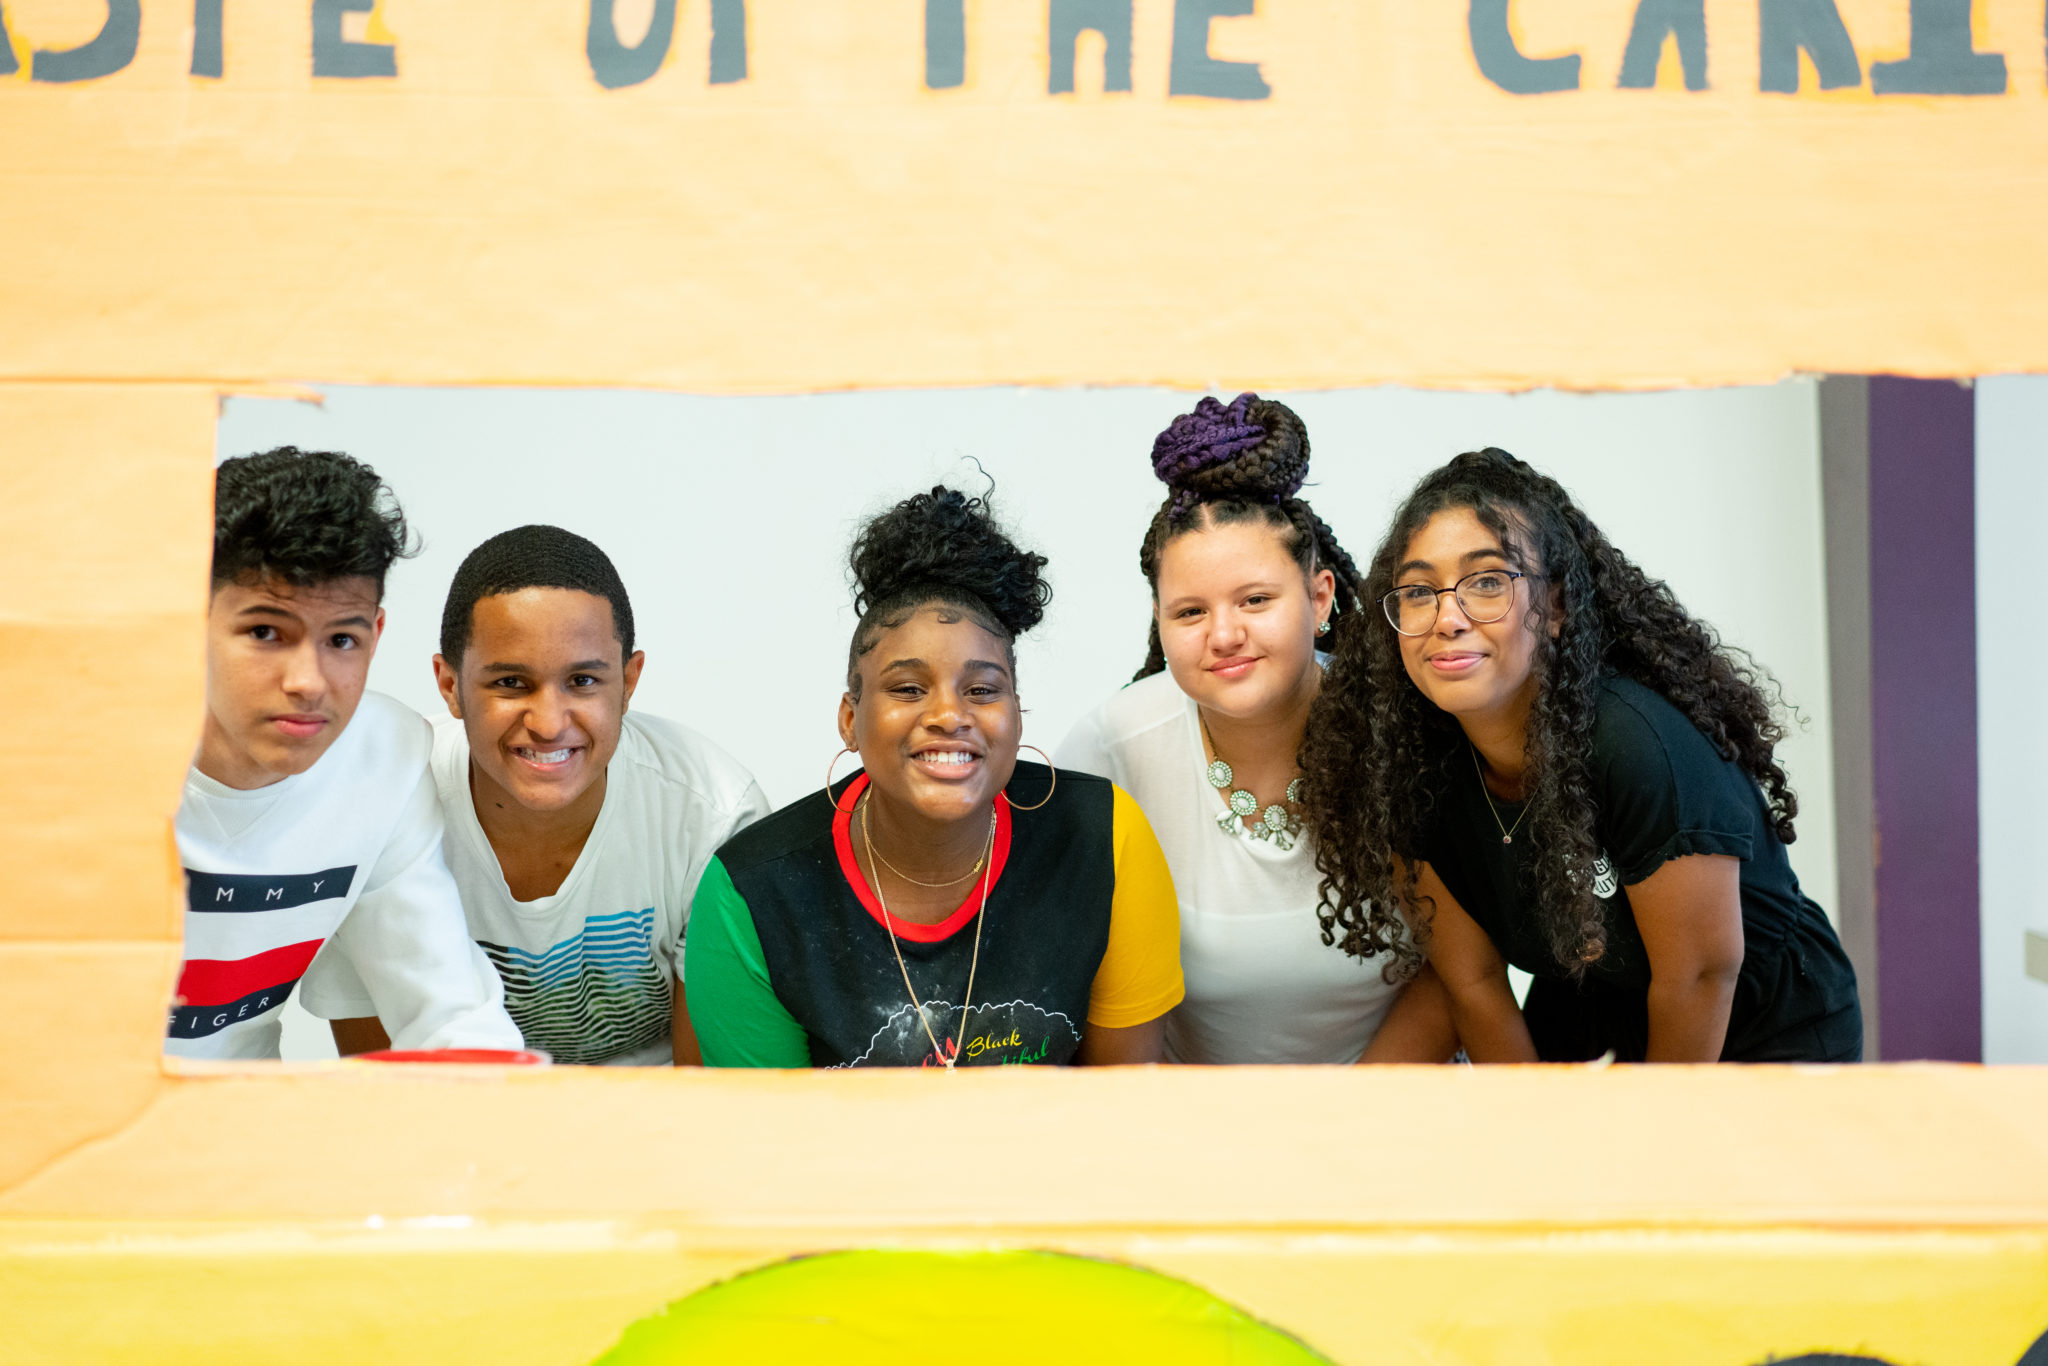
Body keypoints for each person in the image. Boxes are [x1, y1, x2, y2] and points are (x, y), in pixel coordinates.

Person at [1299, 448, 1862, 1063]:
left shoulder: (1638, 745)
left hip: (1757, 1024)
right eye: (1417, 592)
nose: (1447, 618)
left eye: (1487, 582)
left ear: (1558, 607)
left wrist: (1640, 1152)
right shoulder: (1407, 770)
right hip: (1589, 1006)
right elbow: (1475, 984)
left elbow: (1699, 978)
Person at [685, 485, 1185, 1068]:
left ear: (1017, 712)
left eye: (982, 690)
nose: (950, 716)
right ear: (850, 718)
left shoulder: (1106, 840)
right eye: (907, 688)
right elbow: (766, 1144)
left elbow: (1125, 1108)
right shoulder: (750, 896)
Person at [1059, 393, 1451, 1064]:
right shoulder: (1111, 748)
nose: (1224, 635)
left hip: (1392, 1110)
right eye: (1188, 612)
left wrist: (1340, 1129)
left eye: (1255, 600)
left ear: (1320, 596)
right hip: (1196, 1133)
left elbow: (1459, 975)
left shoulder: (1403, 735)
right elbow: (1071, 982)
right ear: (1158, 620)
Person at [325, 526, 770, 1065]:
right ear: (450, 685)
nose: (549, 723)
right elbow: (382, 1086)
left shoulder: (712, 815)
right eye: (511, 683)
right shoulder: (380, 804)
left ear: (629, 683)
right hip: (464, 1131)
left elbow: (702, 1091)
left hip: (651, 1129)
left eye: (582, 681)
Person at [168, 447, 520, 1060]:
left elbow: (449, 1012)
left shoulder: (387, 758)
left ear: (376, 634)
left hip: (234, 1131)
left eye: (341, 639)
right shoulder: (66, 753)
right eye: (265, 633)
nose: (308, 680)